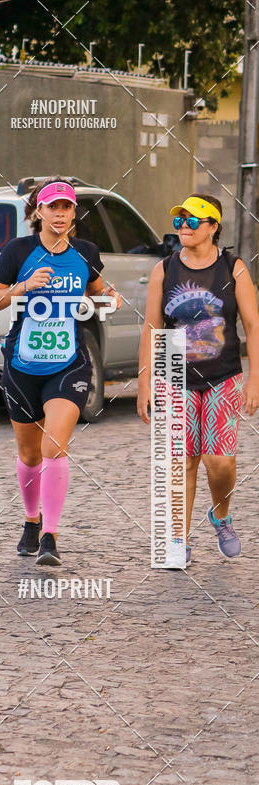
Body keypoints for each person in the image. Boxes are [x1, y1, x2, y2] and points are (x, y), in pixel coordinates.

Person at [0, 178, 122, 566]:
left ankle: (50, 536)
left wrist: (109, 297)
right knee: (29, 455)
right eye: (53, 207)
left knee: (54, 447)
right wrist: (24, 286)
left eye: (67, 207)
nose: (60, 214)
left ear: (73, 212)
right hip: (22, 363)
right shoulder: (19, 251)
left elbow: (99, 289)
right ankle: (32, 521)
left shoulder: (85, 252)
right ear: (38, 212)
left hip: (69, 362)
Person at [137, 194, 259, 564]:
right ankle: (178, 540)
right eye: (179, 221)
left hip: (223, 373)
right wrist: (145, 382)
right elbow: (152, 327)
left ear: (214, 227)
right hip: (174, 368)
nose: (184, 227)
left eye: (193, 221)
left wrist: (254, 380)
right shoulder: (165, 270)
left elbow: (252, 327)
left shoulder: (233, 268)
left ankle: (220, 515)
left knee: (218, 462)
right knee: (181, 460)